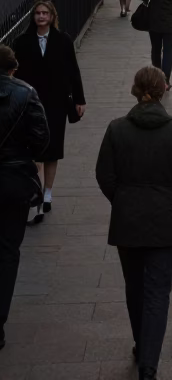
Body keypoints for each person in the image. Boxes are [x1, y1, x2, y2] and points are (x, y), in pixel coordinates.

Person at [95, 66, 172, 380]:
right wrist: (171, 196)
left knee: (135, 287)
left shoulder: (117, 128)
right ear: (163, 89)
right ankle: (149, 364)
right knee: (157, 292)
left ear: (136, 90)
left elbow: (104, 174)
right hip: (165, 220)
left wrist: (122, 199)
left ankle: (142, 342)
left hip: (128, 218)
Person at [13, 0, 86, 223]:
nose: (41, 16)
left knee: (53, 150)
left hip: (56, 103)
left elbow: (73, 70)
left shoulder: (63, 41)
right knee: (35, 151)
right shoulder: (22, 42)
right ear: (33, 17)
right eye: (37, 13)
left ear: (52, 16)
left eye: (45, 13)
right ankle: (36, 194)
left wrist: (79, 99)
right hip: (31, 103)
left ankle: (47, 193)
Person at [0, 44, 49, 350]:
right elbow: (42, 139)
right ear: (13, 68)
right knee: (7, 251)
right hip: (13, 181)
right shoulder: (25, 92)